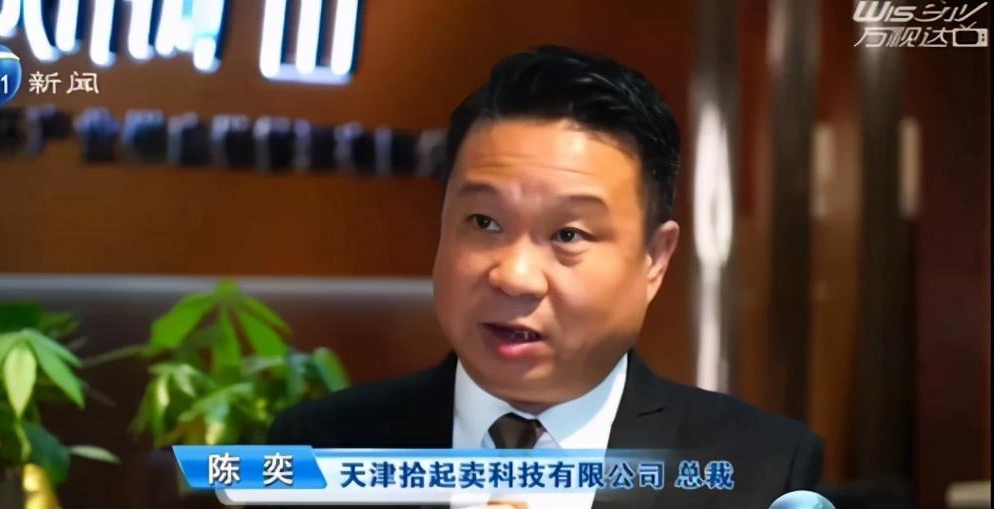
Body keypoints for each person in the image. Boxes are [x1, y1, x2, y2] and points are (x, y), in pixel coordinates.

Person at [267, 45, 822, 509]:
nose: (514, 277)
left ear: (654, 259)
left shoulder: (762, 471)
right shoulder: (316, 450)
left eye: (568, 234)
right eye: (484, 222)